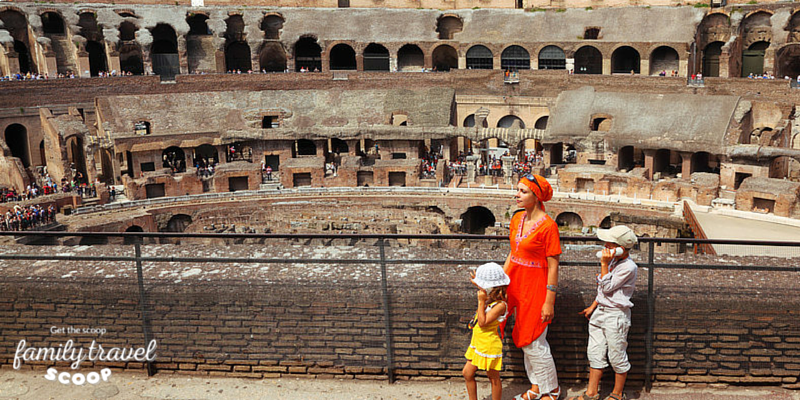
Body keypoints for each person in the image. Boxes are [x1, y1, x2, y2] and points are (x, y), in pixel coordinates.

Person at [504, 174, 562, 400]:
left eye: (523, 191)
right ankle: (537, 386)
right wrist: (500, 281)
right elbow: (513, 253)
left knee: (534, 340)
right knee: (524, 338)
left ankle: (552, 389)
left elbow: (553, 266)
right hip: (515, 283)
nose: (517, 195)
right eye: (517, 190)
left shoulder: (549, 226)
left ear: (536, 197)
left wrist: (549, 301)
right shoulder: (517, 219)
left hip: (536, 287)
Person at [569, 225, 638, 400]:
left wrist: (603, 264)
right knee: (595, 352)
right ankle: (591, 393)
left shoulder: (628, 267)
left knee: (616, 355)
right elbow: (601, 291)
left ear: (621, 248)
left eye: (610, 244)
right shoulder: (614, 262)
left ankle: (617, 393)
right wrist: (593, 306)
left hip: (616, 315)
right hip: (600, 312)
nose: (605, 247)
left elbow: (607, 287)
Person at [463, 262, 509, 400]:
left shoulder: (500, 305)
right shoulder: (490, 298)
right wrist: (479, 283)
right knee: (467, 373)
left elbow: (482, 323)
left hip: (489, 345)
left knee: (493, 377)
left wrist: (481, 301)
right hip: (478, 342)